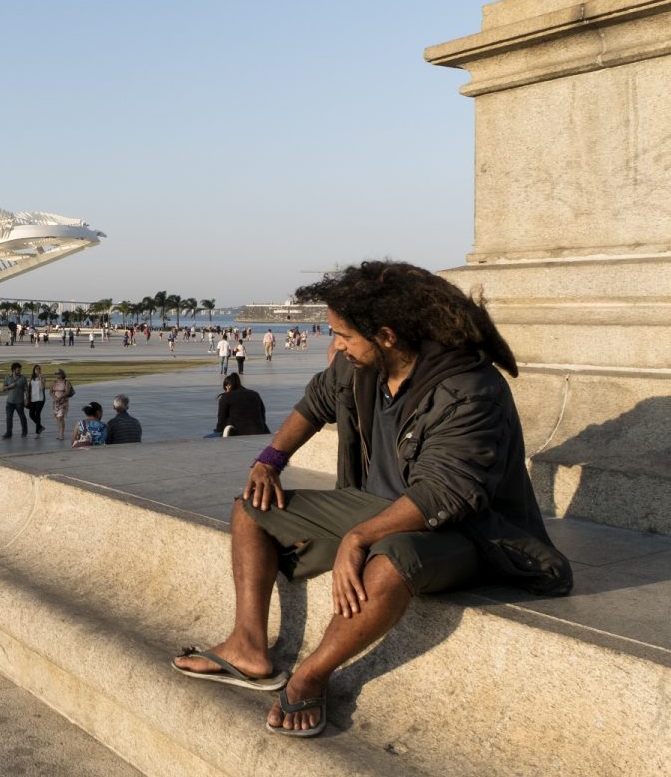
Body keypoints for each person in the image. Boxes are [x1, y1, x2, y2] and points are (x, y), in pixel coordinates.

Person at [171, 261, 572, 738]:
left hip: (474, 532)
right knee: (250, 508)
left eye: (343, 334)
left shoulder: (470, 391)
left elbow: (445, 493)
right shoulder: (359, 366)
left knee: (391, 554)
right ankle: (248, 646)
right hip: (381, 509)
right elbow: (312, 405)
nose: (335, 345)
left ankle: (311, 676)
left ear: (385, 334)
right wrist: (270, 459)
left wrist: (360, 536)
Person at [2, 362, 29, 438]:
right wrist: (9, 387)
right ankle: (8, 433)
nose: (19, 371)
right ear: (13, 370)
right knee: (9, 418)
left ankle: (24, 431)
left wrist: (27, 399)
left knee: (22, 416)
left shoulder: (23, 378)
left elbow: (26, 390)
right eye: (18, 370)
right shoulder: (7, 377)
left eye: (20, 370)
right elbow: (3, 388)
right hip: (9, 402)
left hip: (19, 402)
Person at [50, 368, 74, 440]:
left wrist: (60, 397)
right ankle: (59, 433)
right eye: (56, 373)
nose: (57, 375)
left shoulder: (66, 382)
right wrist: (54, 398)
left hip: (63, 402)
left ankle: (61, 434)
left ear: (62, 374)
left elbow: (67, 392)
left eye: (58, 373)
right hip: (56, 402)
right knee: (57, 418)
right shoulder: (54, 382)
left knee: (61, 417)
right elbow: (50, 391)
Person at [27, 364, 47, 436]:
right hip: (33, 399)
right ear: (34, 370)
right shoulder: (31, 378)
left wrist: (41, 378)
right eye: (36, 369)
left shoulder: (43, 377)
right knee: (31, 414)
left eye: (39, 369)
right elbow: (29, 388)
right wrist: (27, 398)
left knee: (37, 414)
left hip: (40, 399)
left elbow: (42, 388)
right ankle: (40, 427)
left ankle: (37, 432)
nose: (38, 370)